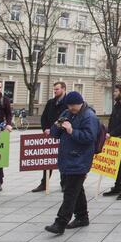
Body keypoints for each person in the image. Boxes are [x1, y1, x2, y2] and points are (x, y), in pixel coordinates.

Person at [45, 91, 99, 234]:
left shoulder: (89, 116)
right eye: (68, 105)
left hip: (80, 159)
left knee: (70, 192)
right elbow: (53, 133)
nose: (70, 108)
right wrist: (57, 125)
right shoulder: (67, 113)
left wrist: (71, 130)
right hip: (67, 158)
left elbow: (89, 137)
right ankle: (82, 217)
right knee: (76, 189)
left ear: (80, 103)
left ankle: (60, 222)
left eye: (73, 105)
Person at [33, 81, 67, 192]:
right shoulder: (50, 103)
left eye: (57, 89)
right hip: (51, 136)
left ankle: (64, 183)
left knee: (63, 160)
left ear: (63, 89)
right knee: (48, 160)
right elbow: (44, 118)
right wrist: (46, 129)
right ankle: (44, 182)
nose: (55, 91)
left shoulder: (68, 103)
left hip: (63, 136)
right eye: (54, 89)